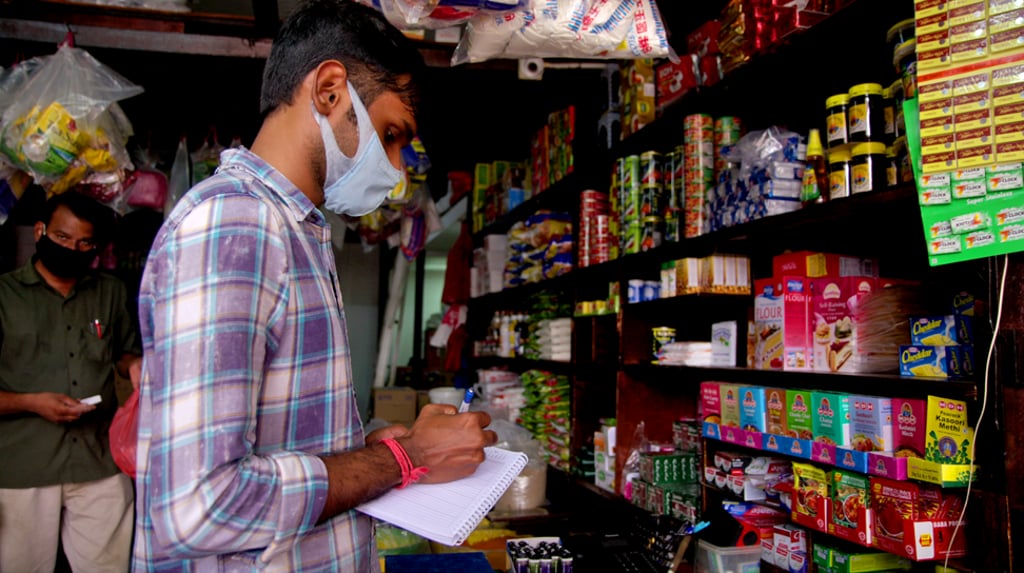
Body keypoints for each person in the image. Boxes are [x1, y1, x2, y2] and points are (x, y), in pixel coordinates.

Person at [133, 0, 497, 570]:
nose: (399, 168)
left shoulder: (296, 230)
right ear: (330, 90)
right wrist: (406, 457)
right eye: (392, 134)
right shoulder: (234, 223)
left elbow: (277, 443)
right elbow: (201, 506)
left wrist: (369, 448)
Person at [0, 191, 142, 573]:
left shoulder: (109, 292)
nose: (72, 249)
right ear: (41, 231)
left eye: (84, 243)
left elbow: (124, 351)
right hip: (22, 467)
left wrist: (136, 365)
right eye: (62, 238)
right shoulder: (4, 296)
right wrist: (32, 403)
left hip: (99, 462)